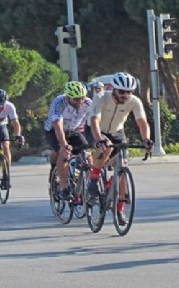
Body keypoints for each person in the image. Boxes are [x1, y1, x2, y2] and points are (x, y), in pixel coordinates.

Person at [87, 72, 153, 225]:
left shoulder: (134, 101)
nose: (125, 95)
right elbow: (94, 121)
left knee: (123, 166)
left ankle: (120, 209)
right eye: (122, 92)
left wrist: (146, 140)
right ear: (114, 89)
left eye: (129, 92)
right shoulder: (101, 97)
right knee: (106, 148)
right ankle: (94, 178)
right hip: (96, 130)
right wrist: (99, 139)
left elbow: (142, 122)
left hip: (117, 131)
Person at [44, 81, 92, 200]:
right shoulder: (59, 103)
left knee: (87, 156)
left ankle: (85, 185)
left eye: (82, 98)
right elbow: (58, 125)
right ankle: (64, 188)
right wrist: (64, 144)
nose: (80, 101)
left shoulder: (88, 103)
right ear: (68, 97)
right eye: (76, 99)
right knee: (63, 153)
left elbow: (93, 123)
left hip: (74, 130)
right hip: (54, 130)